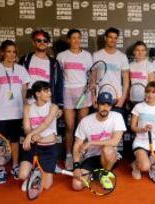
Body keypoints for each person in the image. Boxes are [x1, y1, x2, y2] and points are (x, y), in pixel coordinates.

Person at [0, 40, 31, 184]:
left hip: (17, 113)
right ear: (2, 53)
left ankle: (15, 166)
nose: (12, 55)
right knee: (1, 142)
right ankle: (1, 168)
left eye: (14, 52)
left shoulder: (21, 70)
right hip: (1, 114)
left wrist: (25, 112)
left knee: (15, 141)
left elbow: (24, 92)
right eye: (9, 51)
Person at [72, 92, 126, 190]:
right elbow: (77, 144)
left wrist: (91, 142)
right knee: (77, 185)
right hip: (91, 158)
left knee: (107, 150)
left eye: (108, 104)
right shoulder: (85, 121)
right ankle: (95, 175)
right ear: (96, 104)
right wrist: (76, 166)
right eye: (102, 104)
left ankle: (104, 174)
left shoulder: (117, 117)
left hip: (109, 157)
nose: (105, 107)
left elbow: (114, 141)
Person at [56, 28, 94, 170]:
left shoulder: (87, 56)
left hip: (83, 93)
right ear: (68, 40)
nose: (77, 40)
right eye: (73, 38)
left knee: (81, 127)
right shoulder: (61, 56)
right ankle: (69, 156)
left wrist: (92, 84)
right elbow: (58, 77)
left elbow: (92, 74)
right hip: (67, 93)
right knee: (69, 127)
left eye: (79, 38)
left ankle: (81, 153)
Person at [19, 81, 59, 191]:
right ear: (37, 93)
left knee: (46, 186)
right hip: (33, 146)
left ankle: (39, 172)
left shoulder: (53, 107)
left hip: (48, 149)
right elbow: (26, 127)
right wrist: (30, 136)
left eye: (49, 91)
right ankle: (33, 173)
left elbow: (46, 124)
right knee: (22, 175)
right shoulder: (27, 108)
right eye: (46, 91)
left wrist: (31, 135)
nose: (50, 93)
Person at [130, 82, 155, 180]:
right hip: (140, 142)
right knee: (145, 167)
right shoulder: (138, 107)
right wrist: (142, 129)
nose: (150, 95)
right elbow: (133, 127)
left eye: (153, 92)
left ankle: (150, 159)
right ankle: (135, 165)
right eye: (148, 92)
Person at [19, 29, 63, 107]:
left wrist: (59, 105)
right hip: (28, 103)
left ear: (48, 43)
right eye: (39, 40)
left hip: (47, 103)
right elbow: (18, 81)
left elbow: (58, 85)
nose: (42, 43)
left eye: (45, 41)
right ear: (33, 42)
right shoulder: (25, 59)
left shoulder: (54, 63)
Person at [92, 27, 130, 110]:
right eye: (110, 37)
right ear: (105, 38)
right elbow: (93, 79)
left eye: (115, 38)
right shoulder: (96, 55)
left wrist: (123, 98)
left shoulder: (122, 57)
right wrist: (93, 96)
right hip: (100, 96)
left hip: (116, 98)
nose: (113, 40)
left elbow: (126, 81)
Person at [129, 41, 155, 106]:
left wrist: (148, 98)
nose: (140, 52)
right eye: (138, 50)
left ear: (145, 52)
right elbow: (128, 84)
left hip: (145, 100)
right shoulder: (130, 65)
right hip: (133, 100)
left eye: (143, 50)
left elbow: (152, 85)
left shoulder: (149, 65)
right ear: (134, 51)